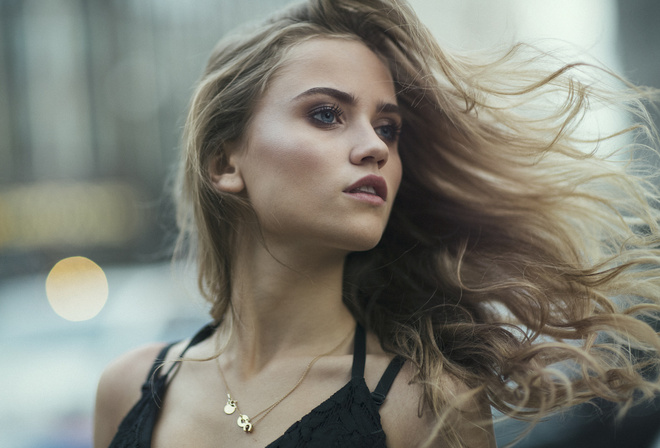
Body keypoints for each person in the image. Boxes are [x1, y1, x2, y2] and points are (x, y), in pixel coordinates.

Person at [93, 0, 660, 447]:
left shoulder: (423, 406)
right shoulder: (130, 390)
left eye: (387, 127)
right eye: (326, 114)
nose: (374, 147)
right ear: (224, 162)